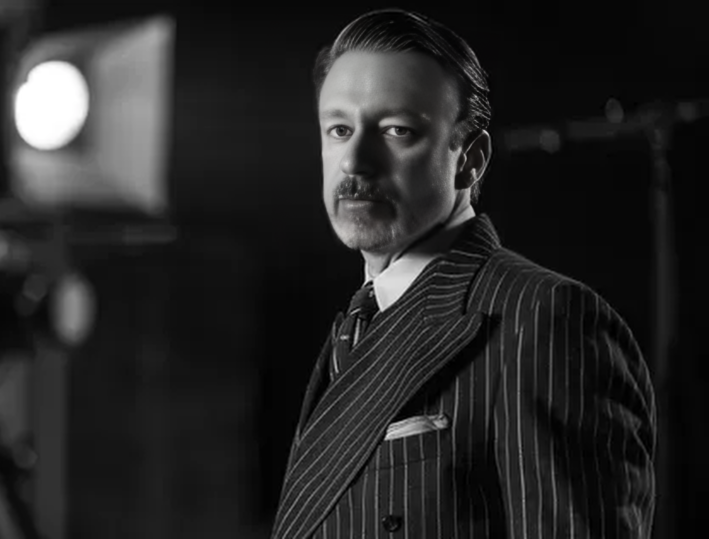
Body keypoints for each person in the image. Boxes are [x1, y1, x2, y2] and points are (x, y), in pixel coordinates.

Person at [271, 8, 656, 539]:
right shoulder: (356, 326)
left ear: (470, 160)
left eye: (397, 130)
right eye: (339, 129)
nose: (355, 161)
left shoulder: (542, 320)